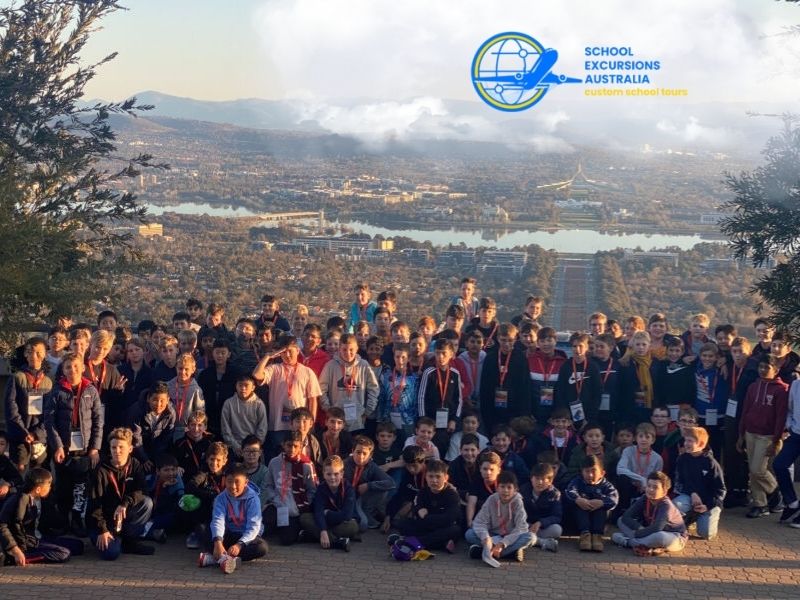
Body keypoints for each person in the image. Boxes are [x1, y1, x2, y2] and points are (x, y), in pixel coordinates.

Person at [43, 351, 103, 536]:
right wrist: (58, 446)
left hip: (85, 450)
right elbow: (49, 421)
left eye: (76, 366)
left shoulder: (91, 390)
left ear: (83, 367)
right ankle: (63, 520)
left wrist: (95, 447)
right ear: (63, 369)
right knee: (63, 486)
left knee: (81, 486)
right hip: (65, 448)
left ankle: (77, 519)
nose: (73, 370)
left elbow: (98, 420)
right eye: (68, 367)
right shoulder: (57, 390)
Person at [87, 428, 157, 559]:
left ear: (130, 449)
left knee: (147, 503)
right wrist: (103, 529)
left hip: (123, 514)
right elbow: (94, 504)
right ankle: (114, 539)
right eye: (113, 447)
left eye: (121, 447)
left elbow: (142, 490)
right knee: (111, 554)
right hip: (102, 520)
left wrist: (125, 503)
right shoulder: (101, 470)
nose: (117, 451)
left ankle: (129, 541)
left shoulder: (135, 465)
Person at [737, 354, 788, 518]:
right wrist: (741, 434)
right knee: (753, 471)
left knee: (758, 469)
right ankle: (761, 504)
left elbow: (781, 417)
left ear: (776, 369)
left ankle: (775, 492)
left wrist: (776, 439)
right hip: (750, 432)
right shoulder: (753, 386)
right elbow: (745, 410)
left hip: (767, 435)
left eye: (767, 367)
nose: (763, 370)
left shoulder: (781, 390)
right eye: (760, 367)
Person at [0, 468, 84, 565]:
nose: (50, 487)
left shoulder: (40, 498)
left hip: (38, 537)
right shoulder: (20, 500)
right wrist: (15, 550)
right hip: (26, 544)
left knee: (78, 546)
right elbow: (3, 525)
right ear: (38, 489)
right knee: (63, 553)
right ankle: (13, 558)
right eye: (48, 485)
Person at [253, 334, 321, 452]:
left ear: (297, 350)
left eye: (290, 351)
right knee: (278, 458)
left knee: (298, 456)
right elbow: (257, 375)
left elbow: (313, 399)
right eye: (284, 352)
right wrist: (268, 356)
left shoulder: (307, 372)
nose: (288, 355)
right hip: (278, 425)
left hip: (300, 425)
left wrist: (311, 422)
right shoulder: (275, 369)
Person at [197, 463, 269, 573]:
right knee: (202, 529)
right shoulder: (220, 498)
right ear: (225, 481)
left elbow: (254, 527)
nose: (233, 486)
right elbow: (218, 520)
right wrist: (218, 542)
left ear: (246, 482)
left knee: (262, 548)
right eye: (229, 482)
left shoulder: (253, 499)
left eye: (237, 482)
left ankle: (215, 558)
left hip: (245, 538)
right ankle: (227, 559)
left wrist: (239, 545)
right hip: (228, 533)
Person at [388, 459, 461, 554]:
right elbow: (416, 510)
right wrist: (419, 511)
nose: (434, 480)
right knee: (403, 524)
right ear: (426, 477)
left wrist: (426, 517)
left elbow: (449, 518)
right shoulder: (423, 492)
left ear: (446, 478)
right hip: (427, 527)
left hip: (443, 527)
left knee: (455, 530)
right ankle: (441, 544)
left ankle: (412, 542)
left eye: (438, 477)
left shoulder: (452, 494)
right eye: (431, 476)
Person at [4, 336, 52, 473]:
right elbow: (11, 408)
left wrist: (36, 433)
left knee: (39, 473)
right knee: (19, 472)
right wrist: (23, 432)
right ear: (25, 354)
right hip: (20, 435)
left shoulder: (48, 382)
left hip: (39, 437)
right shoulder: (17, 377)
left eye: (38, 352)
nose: (34, 356)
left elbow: (49, 412)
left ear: (45, 354)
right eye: (30, 352)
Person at [466, 470, 534, 566]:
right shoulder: (491, 499)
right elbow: (479, 522)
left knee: (530, 537)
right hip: (492, 535)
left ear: (515, 489)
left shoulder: (518, 502)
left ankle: (485, 552)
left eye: (509, 487)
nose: (505, 490)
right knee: (469, 534)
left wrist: (502, 543)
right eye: (502, 487)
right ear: (497, 488)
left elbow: (521, 527)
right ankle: (510, 553)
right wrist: (486, 538)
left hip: (510, 537)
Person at [612, 471, 688, 556]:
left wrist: (636, 534)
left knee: (660, 537)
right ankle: (647, 545)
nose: (650, 489)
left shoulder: (666, 506)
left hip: (673, 536)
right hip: (648, 531)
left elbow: (657, 528)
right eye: (649, 486)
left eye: (655, 487)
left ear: (664, 491)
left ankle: (628, 542)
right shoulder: (644, 498)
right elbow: (626, 516)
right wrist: (639, 528)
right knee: (620, 520)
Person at [263, 431, 317, 545]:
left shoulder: (306, 465)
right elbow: (268, 485)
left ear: (301, 446)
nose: (292, 449)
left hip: (296, 510)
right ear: (283, 444)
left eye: (295, 446)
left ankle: (296, 530)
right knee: (264, 527)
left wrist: (302, 505)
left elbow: (312, 490)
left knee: (286, 540)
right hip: (277, 505)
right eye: (289, 445)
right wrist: (275, 499)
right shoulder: (274, 462)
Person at [320, 333, 379, 435]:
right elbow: (321, 388)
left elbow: (374, 388)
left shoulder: (364, 365)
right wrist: (328, 409)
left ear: (357, 349)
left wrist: (368, 410)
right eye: (344, 349)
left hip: (357, 418)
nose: (348, 353)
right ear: (339, 349)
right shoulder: (330, 365)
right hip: (336, 420)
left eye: (351, 349)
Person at [672, 426, 726, 540]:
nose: (686, 443)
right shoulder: (682, 459)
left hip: (709, 502)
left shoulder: (711, 463)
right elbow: (681, 482)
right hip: (690, 496)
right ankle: (689, 519)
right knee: (676, 505)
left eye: (690, 441)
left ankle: (705, 516)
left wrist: (707, 505)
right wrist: (692, 493)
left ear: (701, 444)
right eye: (686, 440)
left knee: (706, 534)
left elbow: (721, 490)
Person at [479, 324, 531, 433]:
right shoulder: (491, 357)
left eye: (510, 340)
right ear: (497, 338)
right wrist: (486, 413)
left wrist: (522, 414)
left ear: (516, 339)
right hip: (493, 410)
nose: (506, 344)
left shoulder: (520, 358)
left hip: (514, 411)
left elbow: (525, 387)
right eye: (503, 340)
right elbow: (484, 387)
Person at [299, 455, 357, 552]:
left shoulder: (348, 488)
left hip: (339, 522)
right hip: (324, 521)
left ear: (342, 474)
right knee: (304, 518)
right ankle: (338, 542)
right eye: (329, 474)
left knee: (353, 526)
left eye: (336, 474)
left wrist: (327, 514)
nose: (332, 478)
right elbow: (318, 511)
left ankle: (312, 536)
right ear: (324, 474)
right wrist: (323, 530)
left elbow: (347, 515)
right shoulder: (321, 488)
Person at [417, 339, 462, 457]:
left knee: (443, 451)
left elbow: (459, 400)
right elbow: (421, 397)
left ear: (451, 354)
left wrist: (454, 420)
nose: (440, 357)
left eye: (444, 353)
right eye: (437, 353)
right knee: (429, 452)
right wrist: (424, 419)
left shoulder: (455, 374)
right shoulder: (429, 373)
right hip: (430, 421)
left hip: (447, 423)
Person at [565, 455, 618, 552]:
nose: (590, 475)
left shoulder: (607, 485)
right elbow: (569, 491)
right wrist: (578, 499)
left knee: (603, 508)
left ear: (602, 473)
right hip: (582, 518)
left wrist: (602, 502)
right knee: (579, 506)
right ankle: (585, 535)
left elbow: (614, 499)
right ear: (582, 472)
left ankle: (597, 536)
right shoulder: (577, 481)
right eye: (587, 471)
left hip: (598, 518)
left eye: (593, 471)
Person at [344, 435, 395, 531]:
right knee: (362, 525)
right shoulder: (345, 464)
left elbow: (391, 483)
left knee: (383, 488)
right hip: (345, 498)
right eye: (358, 452)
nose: (361, 457)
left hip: (359, 498)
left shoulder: (371, 466)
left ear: (370, 455)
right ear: (352, 451)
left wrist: (369, 485)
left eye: (364, 453)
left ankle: (367, 511)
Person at [615, 422, 663, 514]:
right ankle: (623, 510)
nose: (643, 440)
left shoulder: (658, 458)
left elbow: (657, 479)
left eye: (647, 437)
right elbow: (620, 469)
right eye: (640, 436)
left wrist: (646, 484)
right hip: (630, 486)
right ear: (635, 438)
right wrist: (641, 479)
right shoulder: (628, 451)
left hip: (646, 489)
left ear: (653, 440)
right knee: (622, 479)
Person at [555, 332, 601, 427]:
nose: (577, 349)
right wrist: (565, 417)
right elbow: (560, 391)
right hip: (568, 415)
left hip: (587, 414)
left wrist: (589, 418)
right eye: (574, 346)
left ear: (587, 347)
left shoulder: (593, 367)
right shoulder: (565, 366)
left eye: (581, 346)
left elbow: (597, 393)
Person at [196, 339, 239, 438]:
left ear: (229, 354)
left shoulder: (236, 373)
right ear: (213, 353)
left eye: (223, 353)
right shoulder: (205, 374)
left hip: (229, 418)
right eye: (217, 352)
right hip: (208, 417)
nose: (220, 356)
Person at [376, 342, 419, 439]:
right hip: (388, 420)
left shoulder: (414, 378)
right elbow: (381, 398)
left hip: (408, 421)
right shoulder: (386, 376)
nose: (400, 360)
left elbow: (417, 401)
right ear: (394, 357)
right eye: (397, 357)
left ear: (408, 358)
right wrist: (380, 420)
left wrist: (416, 420)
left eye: (403, 357)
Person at [221, 374, 268, 459]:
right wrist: (237, 447)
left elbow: (262, 428)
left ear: (253, 387)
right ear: (236, 386)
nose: (243, 388)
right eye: (240, 385)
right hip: (234, 448)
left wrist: (253, 447)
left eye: (246, 385)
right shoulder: (228, 404)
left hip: (254, 449)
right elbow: (225, 429)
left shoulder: (259, 404)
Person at [132, 382, 176, 472]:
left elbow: (166, 439)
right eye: (155, 400)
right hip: (137, 451)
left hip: (157, 451)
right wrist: (144, 459)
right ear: (148, 398)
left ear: (168, 400)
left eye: (162, 400)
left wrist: (156, 459)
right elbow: (136, 439)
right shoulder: (137, 411)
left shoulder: (171, 413)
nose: (159, 404)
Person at [528, 326, 567, 425]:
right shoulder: (530, 360)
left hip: (555, 414)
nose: (546, 344)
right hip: (534, 413)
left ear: (555, 341)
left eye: (549, 340)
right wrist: (528, 412)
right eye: (542, 341)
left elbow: (564, 391)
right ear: (537, 342)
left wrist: (558, 414)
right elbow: (525, 389)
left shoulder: (563, 363)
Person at [520, 462, 561, 552]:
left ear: (550, 481)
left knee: (557, 530)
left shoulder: (554, 494)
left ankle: (528, 539)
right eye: (537, 479)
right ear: (531, 479)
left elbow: (556, 516)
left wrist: (540, 523)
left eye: (543, 479)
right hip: (526, 525)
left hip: (542, 527)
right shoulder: (523, 490)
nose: (540, 482)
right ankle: (541, 542)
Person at [776, 377, 800, 527]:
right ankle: (792, 503)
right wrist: (790, 425)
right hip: (796, 434)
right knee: (779, 465)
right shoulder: (796, 385)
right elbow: (790, 409)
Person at [167, 352, 205, 443]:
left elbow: (200, 414)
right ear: (176, 368)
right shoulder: (168, 386)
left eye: (186, 369)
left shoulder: (196, 390)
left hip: (187, 432)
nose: (183, 372)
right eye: (180, 368)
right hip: (167, 429)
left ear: (193, 370)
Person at [174, 410, 215, 480]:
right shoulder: (179, 443)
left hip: (204, 481)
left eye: (199, 425)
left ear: (205, 427)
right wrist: (176, 467)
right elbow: (172, 461)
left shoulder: (210, 444)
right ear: (188, 426)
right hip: (185, 480)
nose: (196, 429)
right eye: (193, 424)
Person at [465, 450, 502, 529]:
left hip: (502, 521)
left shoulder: (505, 482)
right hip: (483, 521)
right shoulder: (476, 482)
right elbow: (471, 503)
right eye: (485, 469)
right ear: (480, 469)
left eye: (492, 469)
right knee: (469, 534)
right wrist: (470, 521)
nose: (488, 472)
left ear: (499, 470)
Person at [454, 330, 485, 407]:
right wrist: (466, 397)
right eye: (472, 341)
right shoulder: (460, 360)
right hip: (465, 401)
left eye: (478, 342)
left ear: (483, 345)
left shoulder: (486, 359)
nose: (475, 345)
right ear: (466, 343)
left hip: (483, 400)